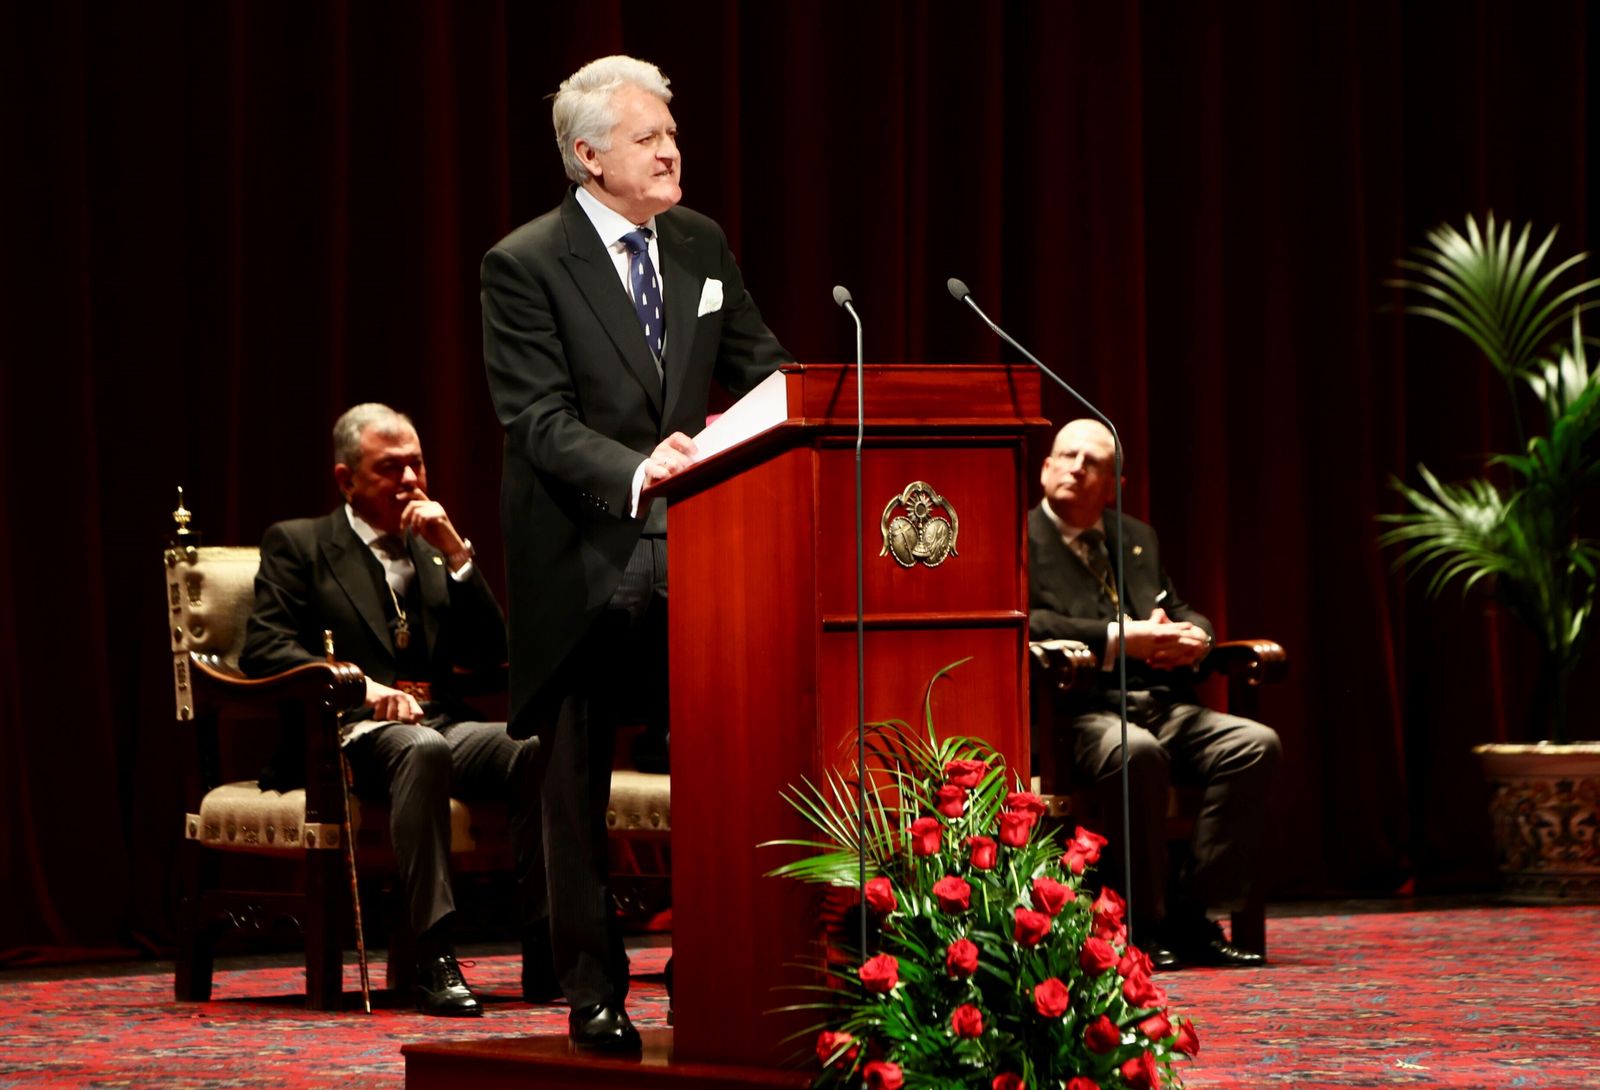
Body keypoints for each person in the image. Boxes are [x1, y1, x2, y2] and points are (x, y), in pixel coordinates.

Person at [480, 55, 791, 1051]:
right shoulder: (524, 263)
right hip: (581, 555)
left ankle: (720, 961)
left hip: (705, 550)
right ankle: (594, 987)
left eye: (672, 133)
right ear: (586, 155)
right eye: (648, 137)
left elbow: (762, 370)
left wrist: (815, 408)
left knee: (729, 759)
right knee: (574, 785)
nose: (671, 150)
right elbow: (537, 420)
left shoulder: (698, 242)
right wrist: (639, 469)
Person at [241, 403, 552, 1017]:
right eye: (390, 469)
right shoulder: (300, 544)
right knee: (422, 748)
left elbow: (494, 652)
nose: (410, 480)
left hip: (438, 719)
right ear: (346, 479)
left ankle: (548, 947)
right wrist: (360, 688)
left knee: (532, 747)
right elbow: (263, 649)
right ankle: (433, 954)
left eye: (417, 464)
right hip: (347, 734)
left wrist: (459, 553)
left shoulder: (433, 550)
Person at [1028, 418, 1280, 970]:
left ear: (1115, 484)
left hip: (1162, 704)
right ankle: (1143, 923)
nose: (1075, 468)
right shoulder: (1019, 536)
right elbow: (1030, 623)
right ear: (1045, 468)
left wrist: (1195, 638)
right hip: (1078, 711)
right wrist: (1126, 640)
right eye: (1066, 457)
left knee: (1255, 744)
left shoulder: (1136, 536)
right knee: (1136, 751)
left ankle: (1195, 914)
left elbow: (1178, 606)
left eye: (1092, 463)